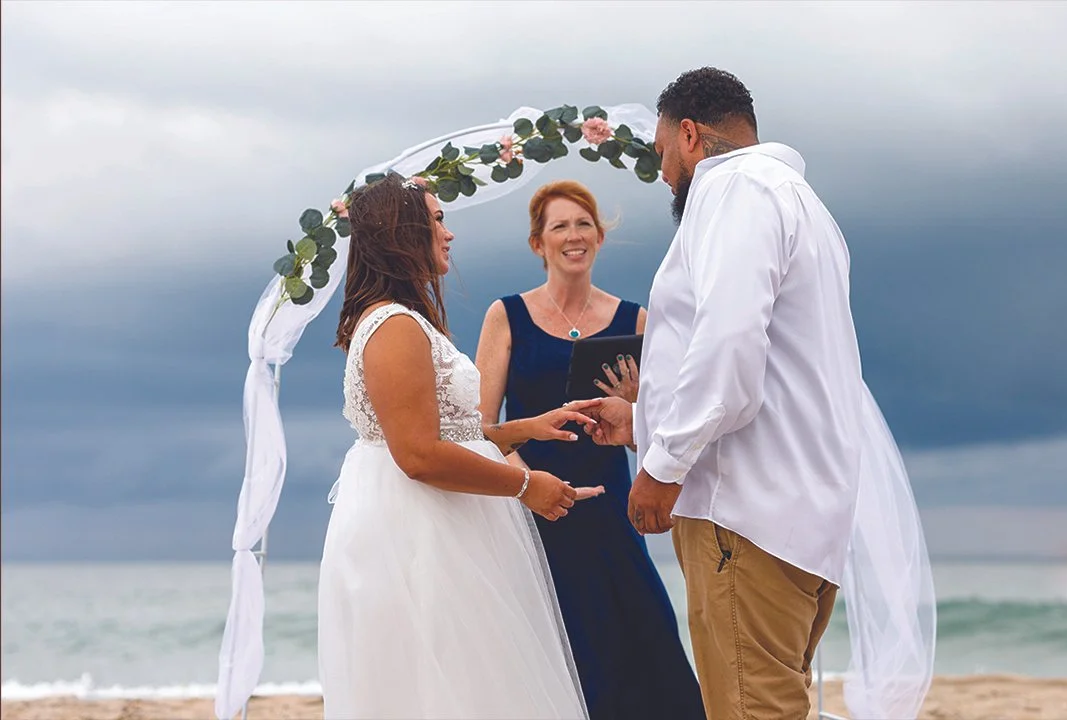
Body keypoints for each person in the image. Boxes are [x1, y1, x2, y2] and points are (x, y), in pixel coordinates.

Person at [570, 68, 866, 719]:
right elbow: (778, 366)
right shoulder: (802, 203)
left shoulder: (733, 191)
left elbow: (729, 349)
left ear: (690, 135)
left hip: (745, 516)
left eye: (661, 156)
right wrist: (644, 421)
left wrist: (662, 465)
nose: (664, 174)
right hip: (804, 516)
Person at [317, 173, 604, 720]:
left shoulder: (402, 320)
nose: (448, 235)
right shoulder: (395, 326)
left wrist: (520, 430)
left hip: (432, 521)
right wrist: (526, 484)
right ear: (404, 233)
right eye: (438, 220)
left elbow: (444, 432)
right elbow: (419, 454)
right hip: (419, 535)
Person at [475, 180, 706, 720]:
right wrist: (528, 485)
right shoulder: (506, 316)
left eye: (583, 224)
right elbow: (481, 429)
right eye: (560, 226)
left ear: (600, 237)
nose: (573, 236)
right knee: (557, 659)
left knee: (649, 649)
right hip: (533, 515)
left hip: (611, 513)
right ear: (539, 243)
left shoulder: (637, 321)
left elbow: (666, 424)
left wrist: (635, 407)